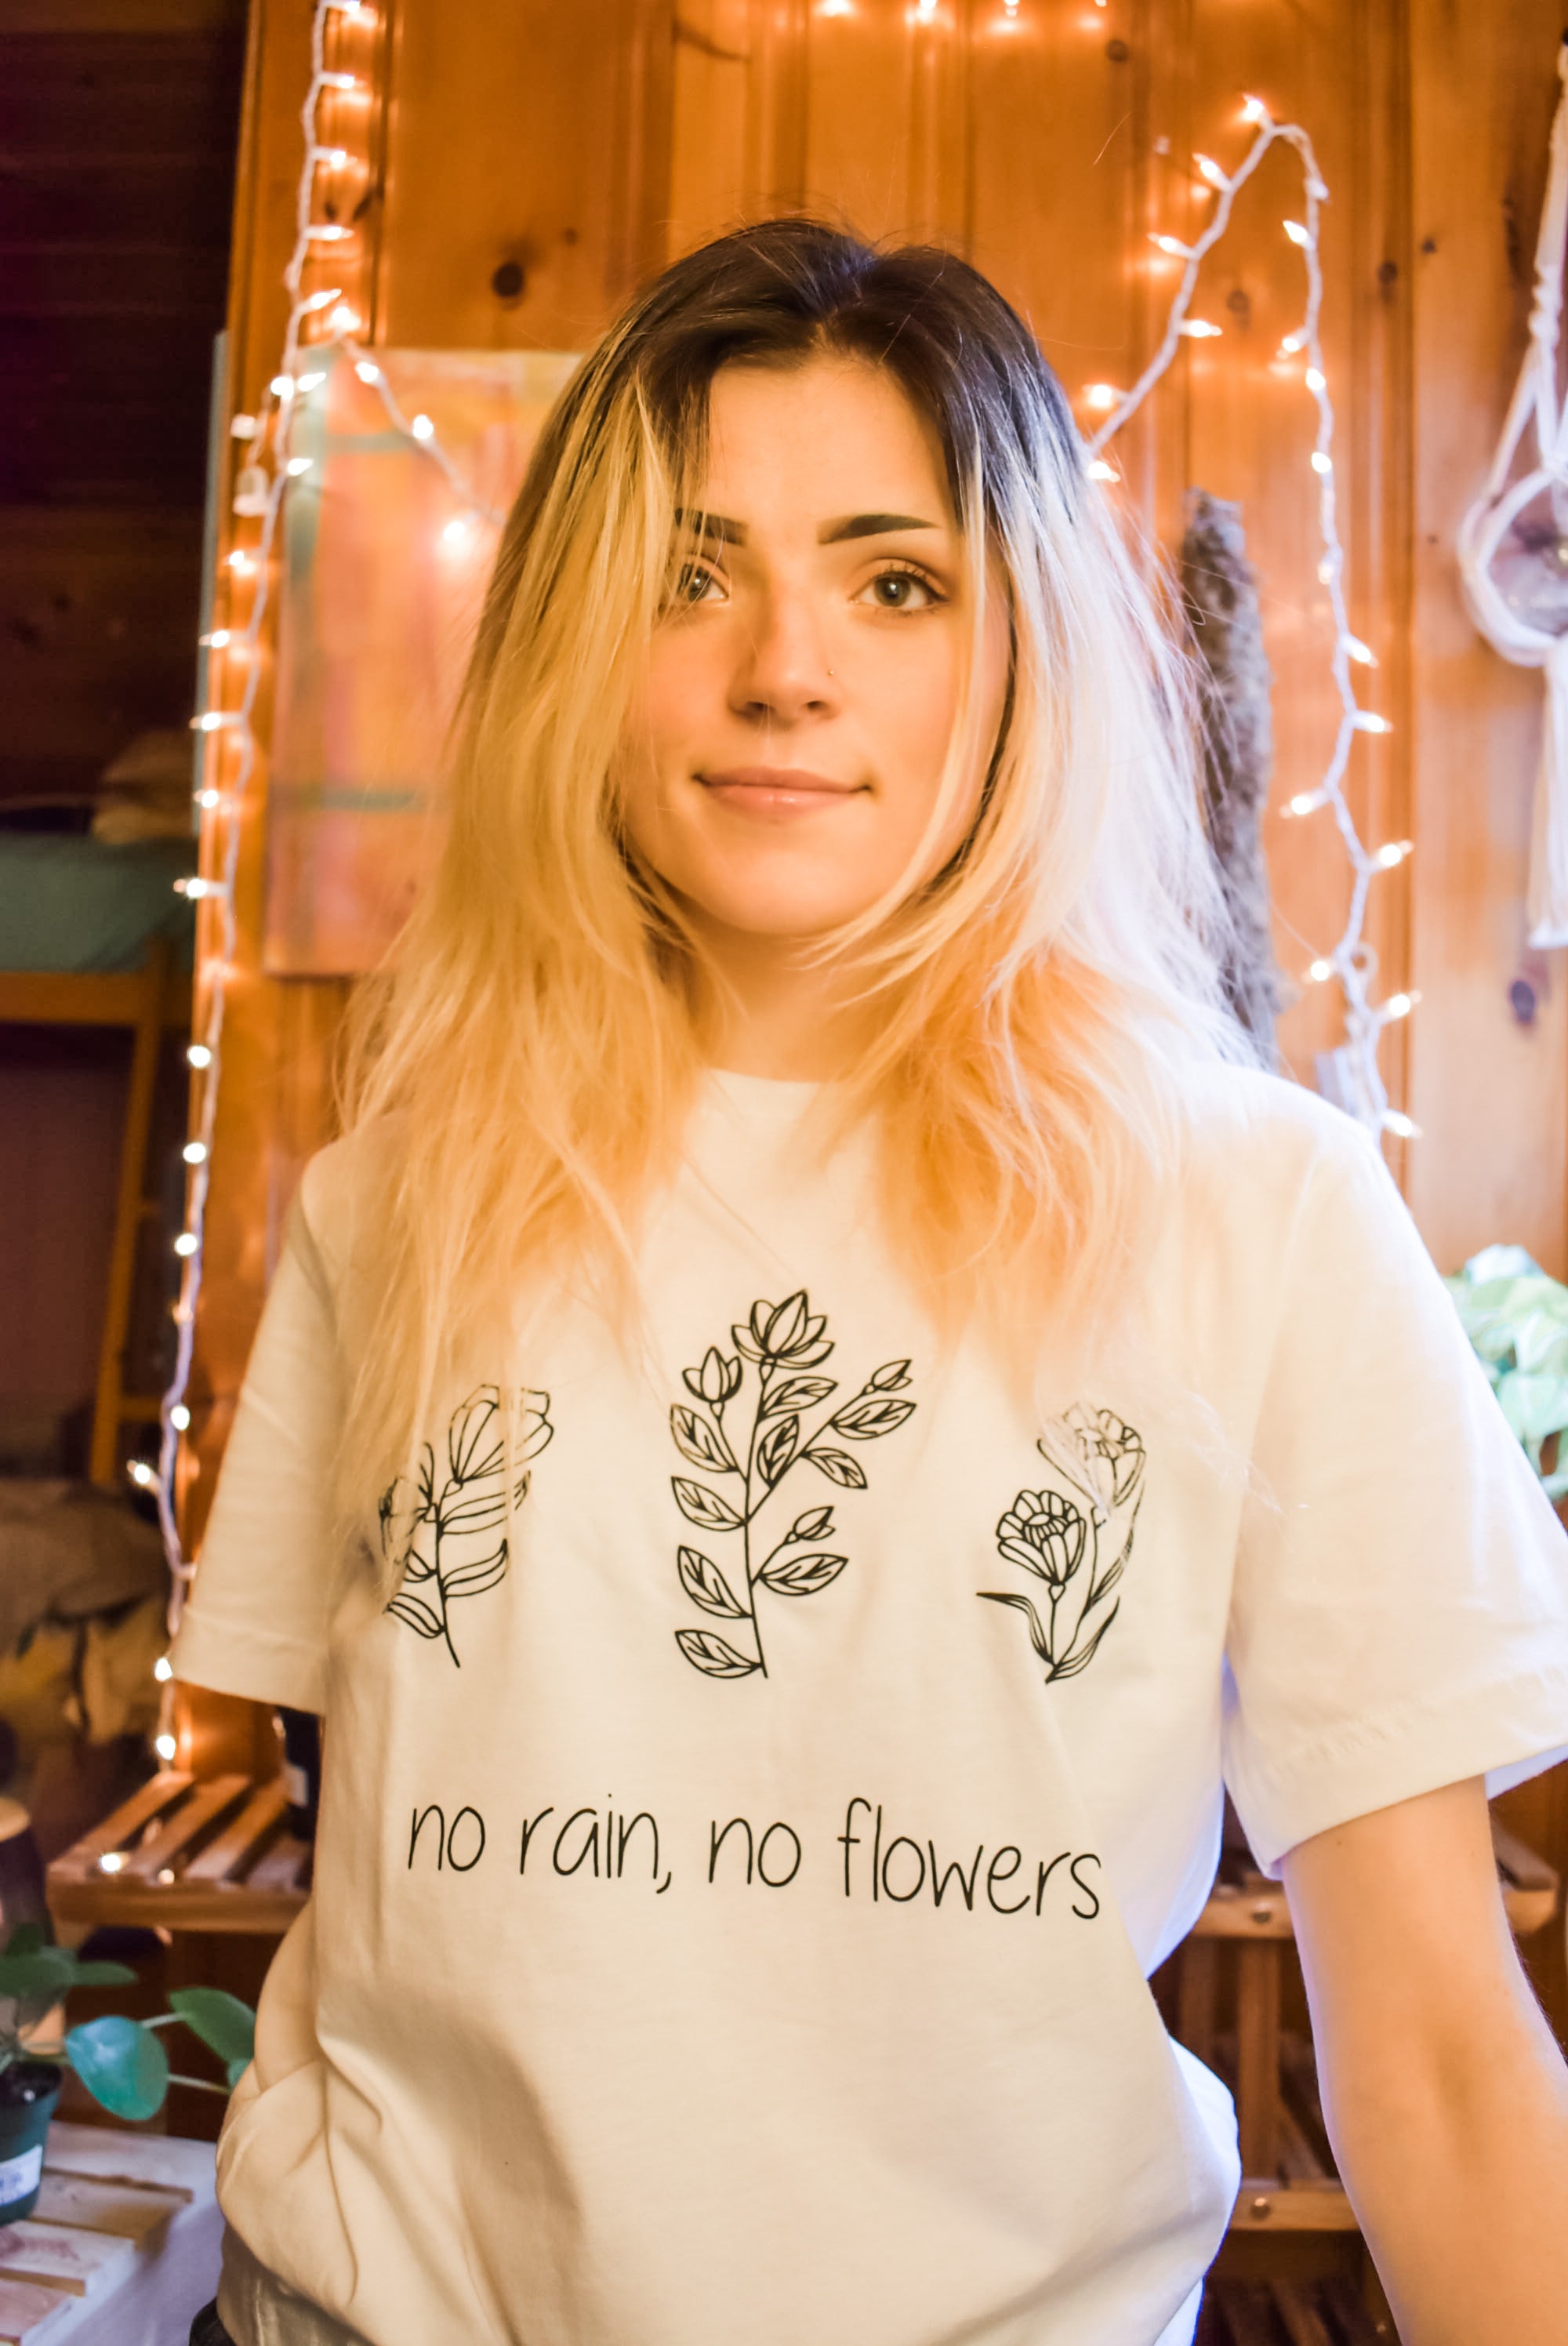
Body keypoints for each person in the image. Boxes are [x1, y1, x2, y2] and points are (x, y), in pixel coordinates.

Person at [174, 220, 1568, 2346]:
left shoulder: (1264, 1214)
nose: (785, 670)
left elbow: (1451, 2066)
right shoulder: (394, 1204)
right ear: (573, 648)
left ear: (1019, 652)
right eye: (690, 573)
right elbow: (401, 1911)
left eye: (894, 582)